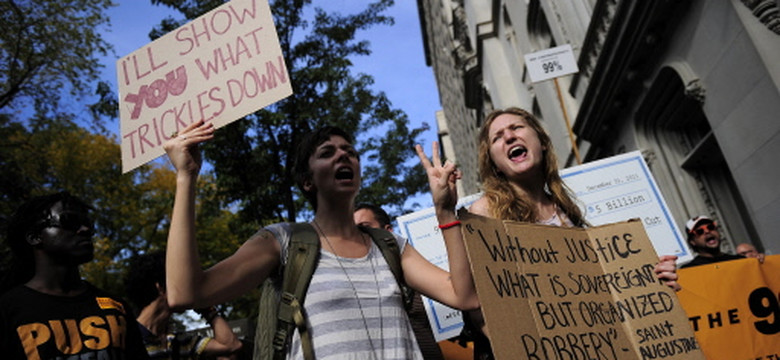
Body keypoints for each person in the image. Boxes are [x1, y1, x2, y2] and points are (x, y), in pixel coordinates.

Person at [162, 120, 479, 360]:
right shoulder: (283, 241)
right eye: (328, 153)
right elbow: (185, 293)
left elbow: (462, 296)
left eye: (350, 152)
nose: (344, 156)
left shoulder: (390, 245)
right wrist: (185, 176)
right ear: (306, 181)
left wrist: (445, 211)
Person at [415, 107, 681, 360]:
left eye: (516, 128)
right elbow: (479, 308)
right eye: (497, 137)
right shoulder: (485, 212)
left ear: (541, 142)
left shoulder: (567, 213)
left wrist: (650, 281)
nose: (509, 136)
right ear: (494, 163)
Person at [0, 191, 150, 359]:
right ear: (35, 237)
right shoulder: (8, 310)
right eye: (69, 221)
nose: (85, 230)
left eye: (88, 224)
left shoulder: (116, 308)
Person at [354, 203, 445, 360]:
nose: (358, 235)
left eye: (364, 227)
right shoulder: (356, 284)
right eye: (353, 230)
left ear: (388, 231)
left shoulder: (423, 274)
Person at [125, 251, 243, 359]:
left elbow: (231, 345)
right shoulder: (126, 337)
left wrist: (206, 308)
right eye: (181, 282)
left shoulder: (177, 343)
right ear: (160, 287)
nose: (188, 288)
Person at [680, 215, 745, 268]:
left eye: (710, 227)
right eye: (699, 231)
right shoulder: (690, 269)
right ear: (692, 241)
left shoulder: (740, 261)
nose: (707, 231)